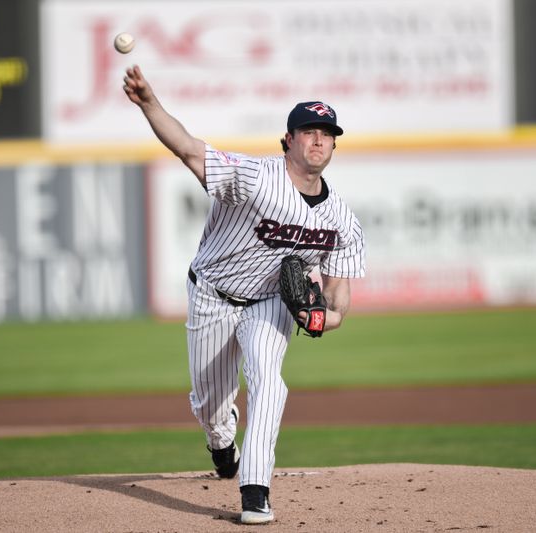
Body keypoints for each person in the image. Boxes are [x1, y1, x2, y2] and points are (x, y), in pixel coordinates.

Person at [123, 65, 366, 525]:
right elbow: (189, 150)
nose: (318, 140)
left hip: (271, 302)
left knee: (269, 382)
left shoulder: (341, 220)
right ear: (288, 140)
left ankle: (255, 491)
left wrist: (322, 320)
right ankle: (220, 441)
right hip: (213, 295)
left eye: (326, 134)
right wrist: (150, 104)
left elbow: (338, 300)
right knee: (211, 403)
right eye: (308, 131)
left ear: (334, 145)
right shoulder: (254, 177)